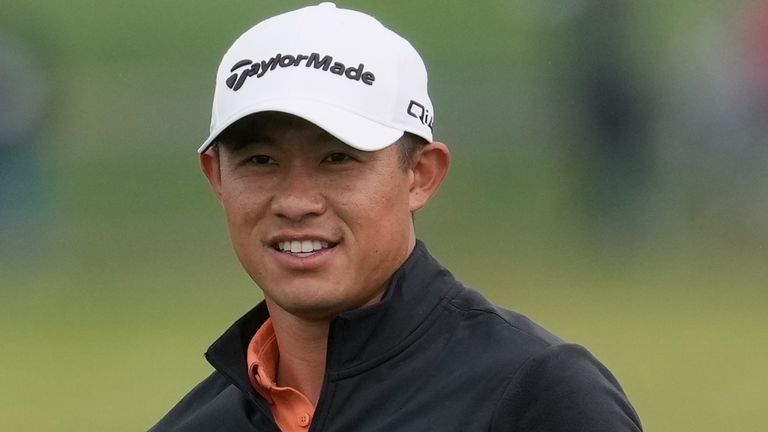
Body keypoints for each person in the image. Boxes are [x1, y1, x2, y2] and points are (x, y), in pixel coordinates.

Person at [151, 3, 642, 431]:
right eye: (260, 161)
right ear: (217, 178)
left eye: (337, 159)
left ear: (421, 176)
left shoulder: (536, 398)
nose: (296, 201)